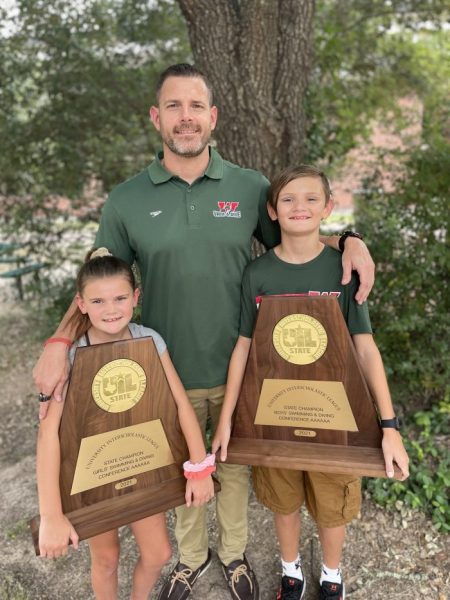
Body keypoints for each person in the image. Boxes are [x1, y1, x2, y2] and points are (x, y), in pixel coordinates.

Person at [33, 64, 375, 600]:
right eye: (174, 106)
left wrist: (349, 240)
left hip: (246, 367)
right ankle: (190, 560)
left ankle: (235, 555)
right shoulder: (126, 200)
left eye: (196, 106)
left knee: (233, 473)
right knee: (180, 475)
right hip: (166, 373)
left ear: (213, 117)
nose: (186, 117)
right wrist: (59, 342)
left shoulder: (249, 186)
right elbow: (101, 285)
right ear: (156, 117)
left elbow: (299, 243)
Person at [212, 165, 409, 600]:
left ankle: (333, 578)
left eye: (310, 198)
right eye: (288, 199)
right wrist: (227, 420)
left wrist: (389, 427)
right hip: (274, 413)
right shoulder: (257, 274)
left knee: (331, 503)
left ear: (328, 208)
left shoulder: (340, 272)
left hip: (335, 416)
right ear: (272, 212)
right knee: (282, 499)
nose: (299, 207)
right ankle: (291, 573)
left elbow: (365, 348)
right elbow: (244, 347)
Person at [37, 248, 214, 600]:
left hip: (140, 464)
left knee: (159, 553)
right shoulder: (72, 356)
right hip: (92, 473)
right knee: (106, 559)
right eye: (98, 301)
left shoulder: (150, 340)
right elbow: (48, 437)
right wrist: (51, 515)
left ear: (136, 296)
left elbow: (180, 403)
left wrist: (199, 468)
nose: (111, 309)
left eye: (120, 297)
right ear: (81, 304)